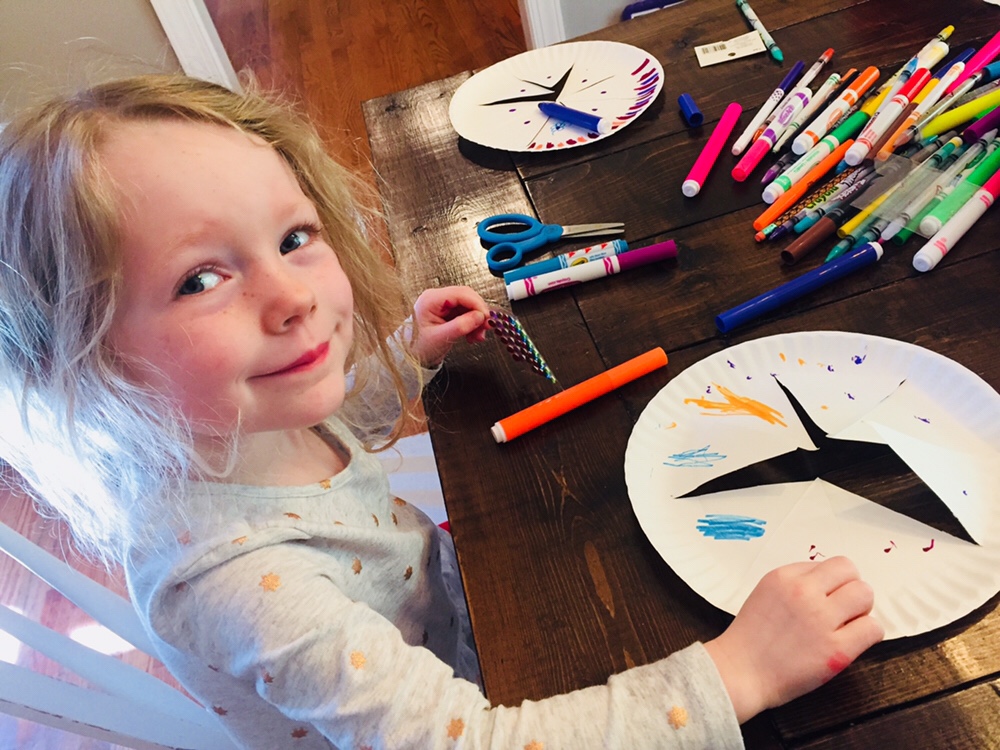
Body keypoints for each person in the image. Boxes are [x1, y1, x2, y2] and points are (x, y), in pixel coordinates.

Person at [0, 75, 883, 749]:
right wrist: (738, 675)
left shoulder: (241, 411)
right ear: (82, 360)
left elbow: (338, 422)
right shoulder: (230, 584)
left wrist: (401, 361)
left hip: (455, 617)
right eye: (200, 280)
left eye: (292, 238)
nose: (291, 300)